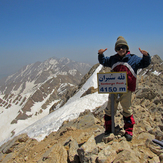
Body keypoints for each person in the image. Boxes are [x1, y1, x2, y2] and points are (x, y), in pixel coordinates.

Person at [98, 36, 151, 141]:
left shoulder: (134, 59)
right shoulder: (113, 59)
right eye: (118, 48)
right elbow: (103, 61)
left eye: (123, 47)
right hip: (114, 89)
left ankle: (128, 131)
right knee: (109, 109)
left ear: (127, 48)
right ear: (116, 49)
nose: (121, 49)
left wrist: (146, 56)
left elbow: (144, 64)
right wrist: (100, 54)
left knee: (127, 110)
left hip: (127, 90)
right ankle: (108, 129)